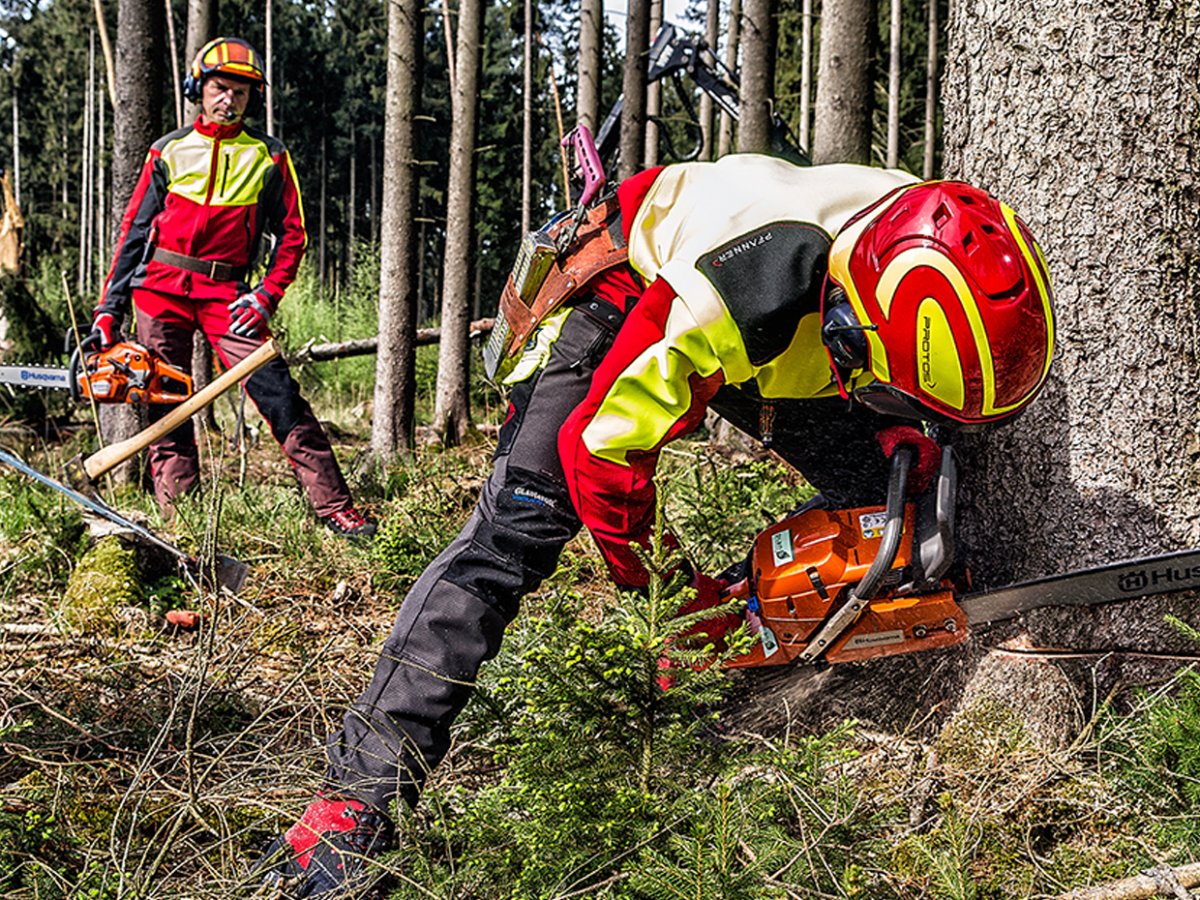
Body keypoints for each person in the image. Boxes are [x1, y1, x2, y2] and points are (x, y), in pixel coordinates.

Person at [256, 154, 1056, 895]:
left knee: (892, 487)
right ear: (857, 324)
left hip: (804, 330)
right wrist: (678, 602)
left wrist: (902, 433)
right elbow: (599, 453)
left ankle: (801, 634)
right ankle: (355, 801)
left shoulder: (938, 235)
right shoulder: (732, 299)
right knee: (515, 533)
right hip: (631, 293)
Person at [93, 37, 376, 538]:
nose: (229, 100)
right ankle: (182, 521)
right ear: (199, 89)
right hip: (158, 290)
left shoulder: (269, 157)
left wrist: (266, 295)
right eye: (221, 88)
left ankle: (334, 506)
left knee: (278, 394)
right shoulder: (169, 150)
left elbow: (294, 236)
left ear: (252, 99)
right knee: (165, 403)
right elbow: (133, 233)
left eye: (241, 93)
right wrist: (108, 310)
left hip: (229, 296)